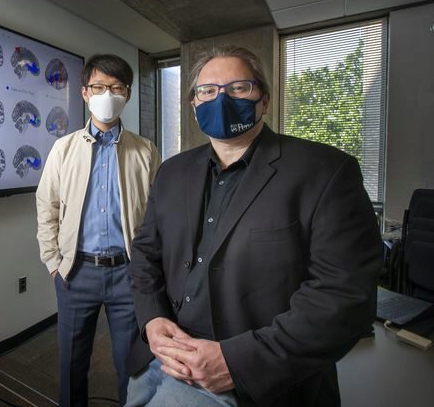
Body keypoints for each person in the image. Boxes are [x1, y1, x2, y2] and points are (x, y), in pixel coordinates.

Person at [125, 45, 382, 407]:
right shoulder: (172, 172)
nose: (221, 99)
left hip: (246, 378)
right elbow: (146, 254)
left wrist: (236, 363)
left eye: (238, 88)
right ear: (194, 105)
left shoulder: (324, 172)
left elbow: (343, 297)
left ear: (264, 99)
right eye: (208, 91)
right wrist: (152, 318)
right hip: (159, 357)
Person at [36, 54, 161, 406]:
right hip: (76, 272)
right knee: (72, 363)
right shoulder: (64, 149)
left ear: (128, 94)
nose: (108, 94)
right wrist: (53, 263)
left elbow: (157, 215)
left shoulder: (145, 151)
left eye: (116, 87)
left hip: (128, 273)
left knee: (131, 364)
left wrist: (147, 268)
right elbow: (47, 208)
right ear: (85, 93)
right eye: (99, 87)